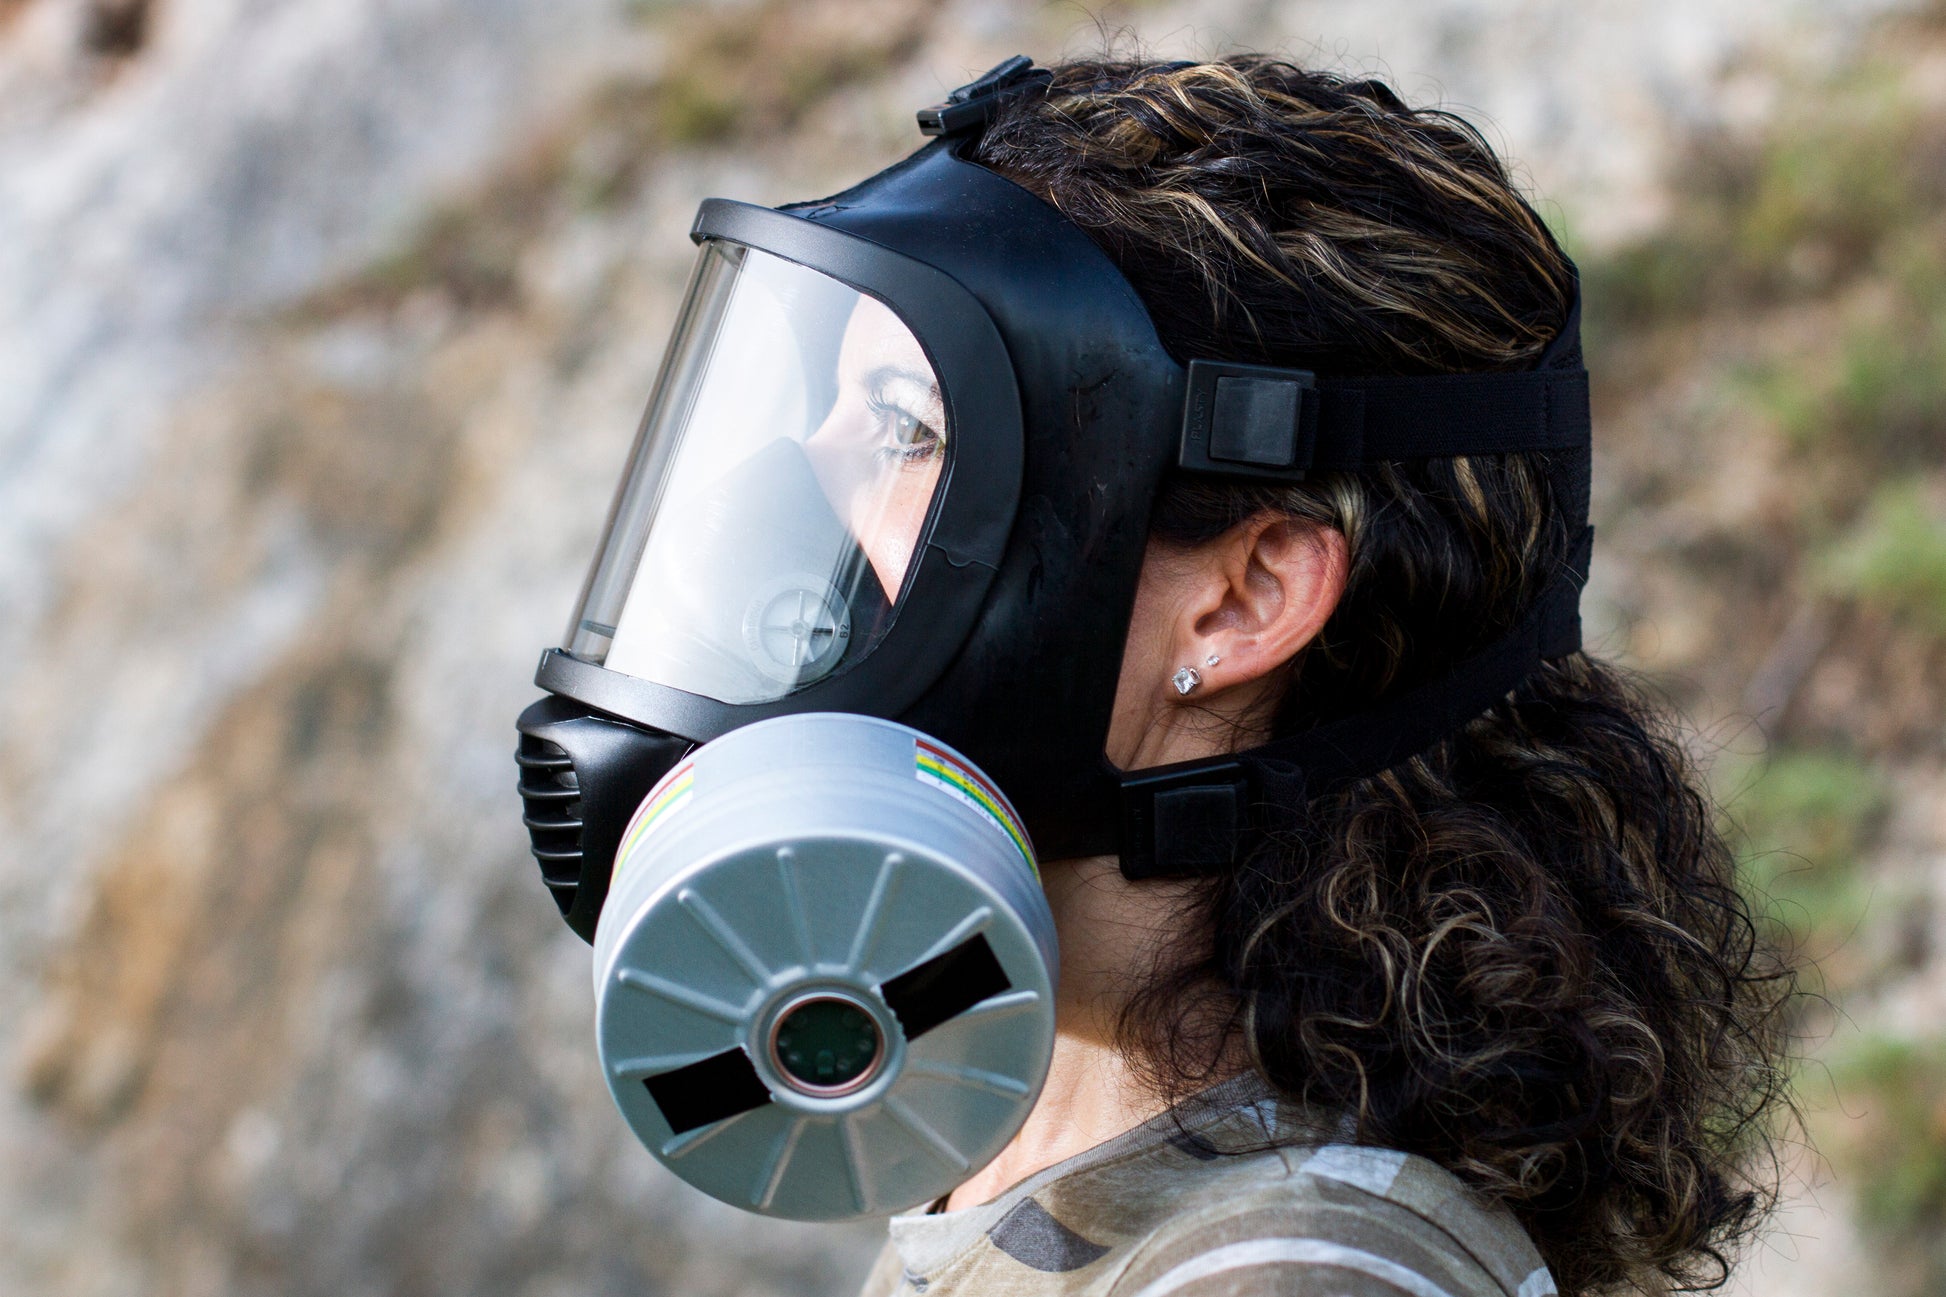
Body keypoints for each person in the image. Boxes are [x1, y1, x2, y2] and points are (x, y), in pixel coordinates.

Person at [834, 56, 1792, 1297]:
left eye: (908, 431)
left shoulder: (1284, 1275)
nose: (808, 483)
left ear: (1240, 601)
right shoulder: (1041, 1147)